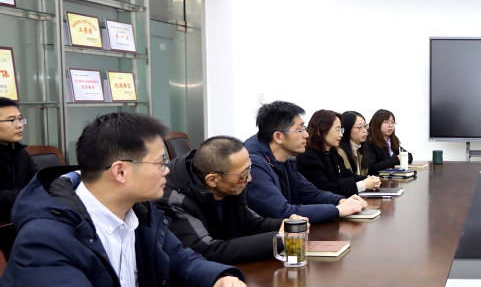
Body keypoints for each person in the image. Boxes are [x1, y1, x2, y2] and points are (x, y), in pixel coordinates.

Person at [0, 112, 247, 287]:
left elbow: (180, 259)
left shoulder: (138, 210)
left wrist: (219, 277)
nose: (167, 171)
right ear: (120, 171)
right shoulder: (46, 235)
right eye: (160, 163)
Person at [157, 135, 307, 264]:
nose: (249, 178)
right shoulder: (172, 200)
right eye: (244, 174)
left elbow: (251, 223)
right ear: (212, 180)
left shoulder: (229, 185)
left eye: (249, 169)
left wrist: (288, 225)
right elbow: (208, 251)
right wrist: (279, 239)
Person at [245, 101, 366, 224]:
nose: (306, 134)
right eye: (300, 130)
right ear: (278, 137)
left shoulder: (286, 160)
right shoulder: (253, 165)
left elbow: (311, 193)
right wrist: (337, 210)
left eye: (304, 128)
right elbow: (282, 212)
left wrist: (341, 200)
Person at [299, 110, 380, 196]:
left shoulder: (333, 153)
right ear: (320, 130)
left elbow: (348, 175)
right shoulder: (308, 157)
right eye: (337, 130)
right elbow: (325, 188)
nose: (341, 134)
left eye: (341, 130)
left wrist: (371, 179)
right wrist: (363, 185)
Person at [0, 98, 37, 226]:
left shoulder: (20, 153)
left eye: (20, 119)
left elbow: (38, 182)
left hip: (20, 221)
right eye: (12, 120)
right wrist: (28, 195)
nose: (20, 125)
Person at [364, 108, 413, 173]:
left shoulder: (391, 140)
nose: (391, 125)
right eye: (387, 122)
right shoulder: (368, 142)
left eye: (392, 122)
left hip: (391, 177)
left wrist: (401, 157)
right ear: (377, 124)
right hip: (377, 178)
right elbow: (372, 168)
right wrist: (396, 159)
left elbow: (409, 156)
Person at [339, 110, 371, 177]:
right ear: (347, 129)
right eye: (360, 127)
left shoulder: (360, 149)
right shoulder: (340, 153)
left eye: (365, 126)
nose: (365, 131)